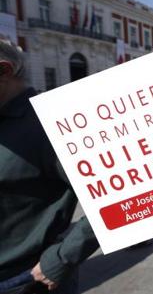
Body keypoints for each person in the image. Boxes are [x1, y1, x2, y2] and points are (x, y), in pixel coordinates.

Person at [0, 40, 99, 294]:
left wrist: (62, 258)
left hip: (25, 280)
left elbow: (117, 197)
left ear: (4, 71)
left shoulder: (48, 125)